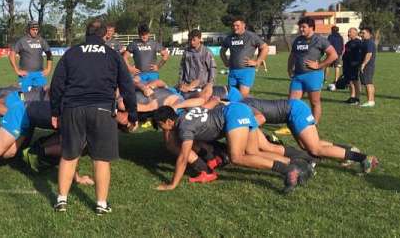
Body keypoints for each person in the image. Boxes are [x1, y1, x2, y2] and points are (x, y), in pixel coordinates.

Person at [50, 19, 138, 215]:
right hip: (103, 110)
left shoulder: (71, 53)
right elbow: (127, 87)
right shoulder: (112, 55)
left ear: (86, 33)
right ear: (104, 33)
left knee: (69, 155)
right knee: (100, 159)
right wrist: (132, 113)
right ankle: (101, 204)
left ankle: (61, 200)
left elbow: (56, 85)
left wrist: (55, 112)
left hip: (73, 109)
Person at [152, 103, 308, 193]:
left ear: (168, 121)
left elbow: (184, 157)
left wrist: (172, 184)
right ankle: (299, 166)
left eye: (161, 126)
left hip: (232, 115)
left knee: (237, 157)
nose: (163, 130)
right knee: (253, 152)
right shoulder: (185, 114)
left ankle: (286, 170)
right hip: (239, 108)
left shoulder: (184, 128)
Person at [241, 97, 379, 173]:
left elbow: (260, 119)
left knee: (315, 148)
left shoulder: (240, 106)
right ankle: (347, 150)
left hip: (295, 111)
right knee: (307, 145)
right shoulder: (239, 102)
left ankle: (364, 158)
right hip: (291, 113)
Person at [287, 17, 338, 123]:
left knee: (314, 102)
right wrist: (289, 68)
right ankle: (292, 124)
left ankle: (314, 125)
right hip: (298, 76)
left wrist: (319, 65)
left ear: (311, 27)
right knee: (292, 102)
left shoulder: (320, 40)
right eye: (300, 27)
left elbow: (333, 55)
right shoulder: (298, 40)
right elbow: (292, 55)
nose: (301, 29)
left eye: (303, 27)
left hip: (313, 75)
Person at [220, 17, 269, 98]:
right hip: (232, 71)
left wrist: (257, 62)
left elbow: (265, 48)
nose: (235, 27)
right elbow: (222, 51)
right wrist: (225, 61)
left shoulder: (251, 36)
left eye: (237, 25)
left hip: (246, 71)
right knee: (231, 96)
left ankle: (249, 108)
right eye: (233, 25)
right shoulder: (229, 37)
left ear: (243, 25)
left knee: (242, 97)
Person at [9, 21, 52, 92]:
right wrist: (16, 70)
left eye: (37, 30)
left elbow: (49, 54)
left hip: (39, 74)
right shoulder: (22, 41)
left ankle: (40, 103)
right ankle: (22, 103)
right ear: (28, 29)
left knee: (42, 94)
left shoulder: (41, 41)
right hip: (26, 75)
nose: (35, 31)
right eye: (33, 29)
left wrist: (48, 69)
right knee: (22, 94)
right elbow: (11, 55)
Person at [124, 24, 169, 90]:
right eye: (142, 34)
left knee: (156, 85)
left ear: (149, 33)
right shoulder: (133, 44)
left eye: (146, 34)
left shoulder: (154, 43)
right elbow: (124, 57)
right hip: (140, 74)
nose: (144, 36)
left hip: (152, 73)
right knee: (133, 83)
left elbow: (166, 54)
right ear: (139, 34)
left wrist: (158, 66)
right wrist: (130, 68)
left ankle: (168, 88)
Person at [177, 29, 217, 100]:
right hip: (187, 85)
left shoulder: (206, 52)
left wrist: (210, 83)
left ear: (199, 39)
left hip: (201, 86)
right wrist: (180, 82)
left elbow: (212, 68)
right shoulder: (186, 52)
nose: (191, 42)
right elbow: (182, 68)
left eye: (194, 40)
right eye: (190, 40)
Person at [342, 28, 363, 104]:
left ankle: (357, 98)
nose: (348, 33)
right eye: (348, 32)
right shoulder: (348, 43)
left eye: (350, 32)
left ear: (355, 33)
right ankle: (352, 97)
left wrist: (358, 63)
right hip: (347, 65)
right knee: (350, 81)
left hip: (354, 65)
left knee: (355, 81)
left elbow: (360, 55)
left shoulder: (359, 43)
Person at [359, 27, 377, 107]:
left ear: (369, 34)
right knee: (369, 82)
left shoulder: (368, 42)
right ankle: (372, 100)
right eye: (361, 33)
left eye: (363, 33)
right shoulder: (365, 42)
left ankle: (370, 101)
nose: (361, 34)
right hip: (369, 65)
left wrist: (363, 64)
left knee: (367, 83)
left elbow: (369, 54)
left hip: (367, 66)